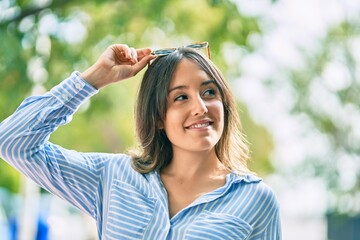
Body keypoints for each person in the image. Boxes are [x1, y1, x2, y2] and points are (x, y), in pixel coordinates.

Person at [0, 43, 282, 239]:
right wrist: (94, 79)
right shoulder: (111, 177)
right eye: (180, 97)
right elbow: (14, 142)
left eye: (209, 92)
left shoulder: (256, 200)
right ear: (158, 117)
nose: (200, 107)